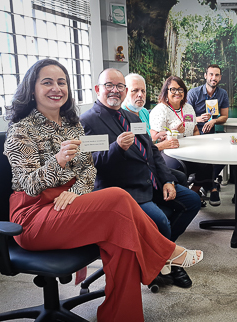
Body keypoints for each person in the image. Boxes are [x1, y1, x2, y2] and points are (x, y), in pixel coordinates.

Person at [3, 59, 203, 321]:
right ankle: (166, 253)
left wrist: (78, 191)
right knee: (118, 197)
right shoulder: (21, 130)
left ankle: (121, 316)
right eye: (47, 82)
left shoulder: (71, 125)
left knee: (123, 245)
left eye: (61, 82)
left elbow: (87, 170)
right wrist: (58, 162)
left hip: (68, 203)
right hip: (33, 216)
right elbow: (29, 184)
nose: (56, 88)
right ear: (32, 89)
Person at [80, 69, 201, 288]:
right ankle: (168, 261)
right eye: (109, 85)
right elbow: (93, 163)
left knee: (192, 200)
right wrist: (117, 148)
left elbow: (153, 152)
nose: (115, 91)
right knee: (161, 220)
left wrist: (166, 180)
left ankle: (158, 256)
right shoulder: (89, 121)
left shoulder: (133, 117)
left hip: (150, 181)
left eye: (120, 87)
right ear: (98, 89)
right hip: (124, 190)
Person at [149, 76, 219, 207]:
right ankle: (180, 200)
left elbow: (194, 129)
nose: (177, 92)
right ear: (166, 91)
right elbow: (154, 137)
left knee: (208, 162)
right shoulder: (160, 110)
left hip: (190, 148)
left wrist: (200, 142)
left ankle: (193, 194)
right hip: (169, 151)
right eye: (173, 89)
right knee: (178, 168)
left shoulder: (187, 108)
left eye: (180, 89)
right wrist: (172, 131)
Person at [120, 73, 187, 185]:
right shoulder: (121, 117)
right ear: (125, 92)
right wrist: (162, 145)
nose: (140, 95)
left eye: (143, 91)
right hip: (137, 169)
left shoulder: (144, 112)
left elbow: (150, 139)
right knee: (179, 175)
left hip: (152, 160)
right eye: (135, 91)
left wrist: (163, 136)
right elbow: (134, 153)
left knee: (181, 176)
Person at [187, 64, 230, 205]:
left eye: (217, 75)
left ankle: (202, 185)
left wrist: (213, 121)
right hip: (193, 134)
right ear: (205, 76)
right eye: (211, 74)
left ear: (220, 77)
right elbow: (185, 116)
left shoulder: (222, 94)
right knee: (206, 159)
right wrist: (198, 119)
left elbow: (224, 117)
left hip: (210, 134)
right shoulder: (194, 93)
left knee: (224, 155)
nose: (214, 78)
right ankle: (211, 187)